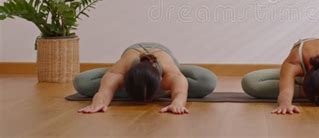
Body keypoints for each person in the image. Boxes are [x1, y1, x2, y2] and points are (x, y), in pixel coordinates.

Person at [75, 42, 217, 115]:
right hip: (129, 60)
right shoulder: (122, 69)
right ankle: (115, 81)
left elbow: (181, 93)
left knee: (207, 81)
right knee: (81, 82)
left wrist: (177, 103)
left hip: (164, 59)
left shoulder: (169, 74)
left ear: (161, 82)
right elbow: (103, 92)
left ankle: (118, 88)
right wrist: (98, 103)